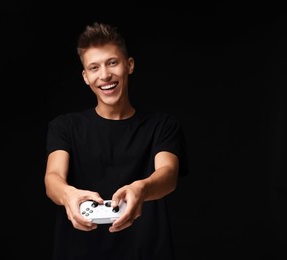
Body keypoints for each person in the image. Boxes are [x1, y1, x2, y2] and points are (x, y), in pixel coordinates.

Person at [44, 22, 188, 259]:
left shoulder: (162, 126)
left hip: (148, 251)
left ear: (129, 65)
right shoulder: (64, 127)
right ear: (85, 77)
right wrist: (67, 194)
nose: (105, 75)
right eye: (94, 67)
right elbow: (53, 178)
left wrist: (141, 188)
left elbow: (168, 175)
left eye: (112, 62)